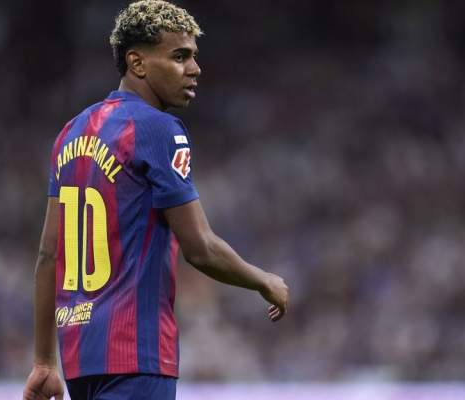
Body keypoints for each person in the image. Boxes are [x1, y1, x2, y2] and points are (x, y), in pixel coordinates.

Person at [22, 1, 289, 399]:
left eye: (193, 56)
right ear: (138, 63)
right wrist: (264, 280)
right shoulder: (159, 129)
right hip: (137, 358)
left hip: (80, 361)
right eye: (179, 57)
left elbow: (48, 255)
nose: (195, 68)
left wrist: (44, 362)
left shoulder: (70, 133)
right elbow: (200, 248)